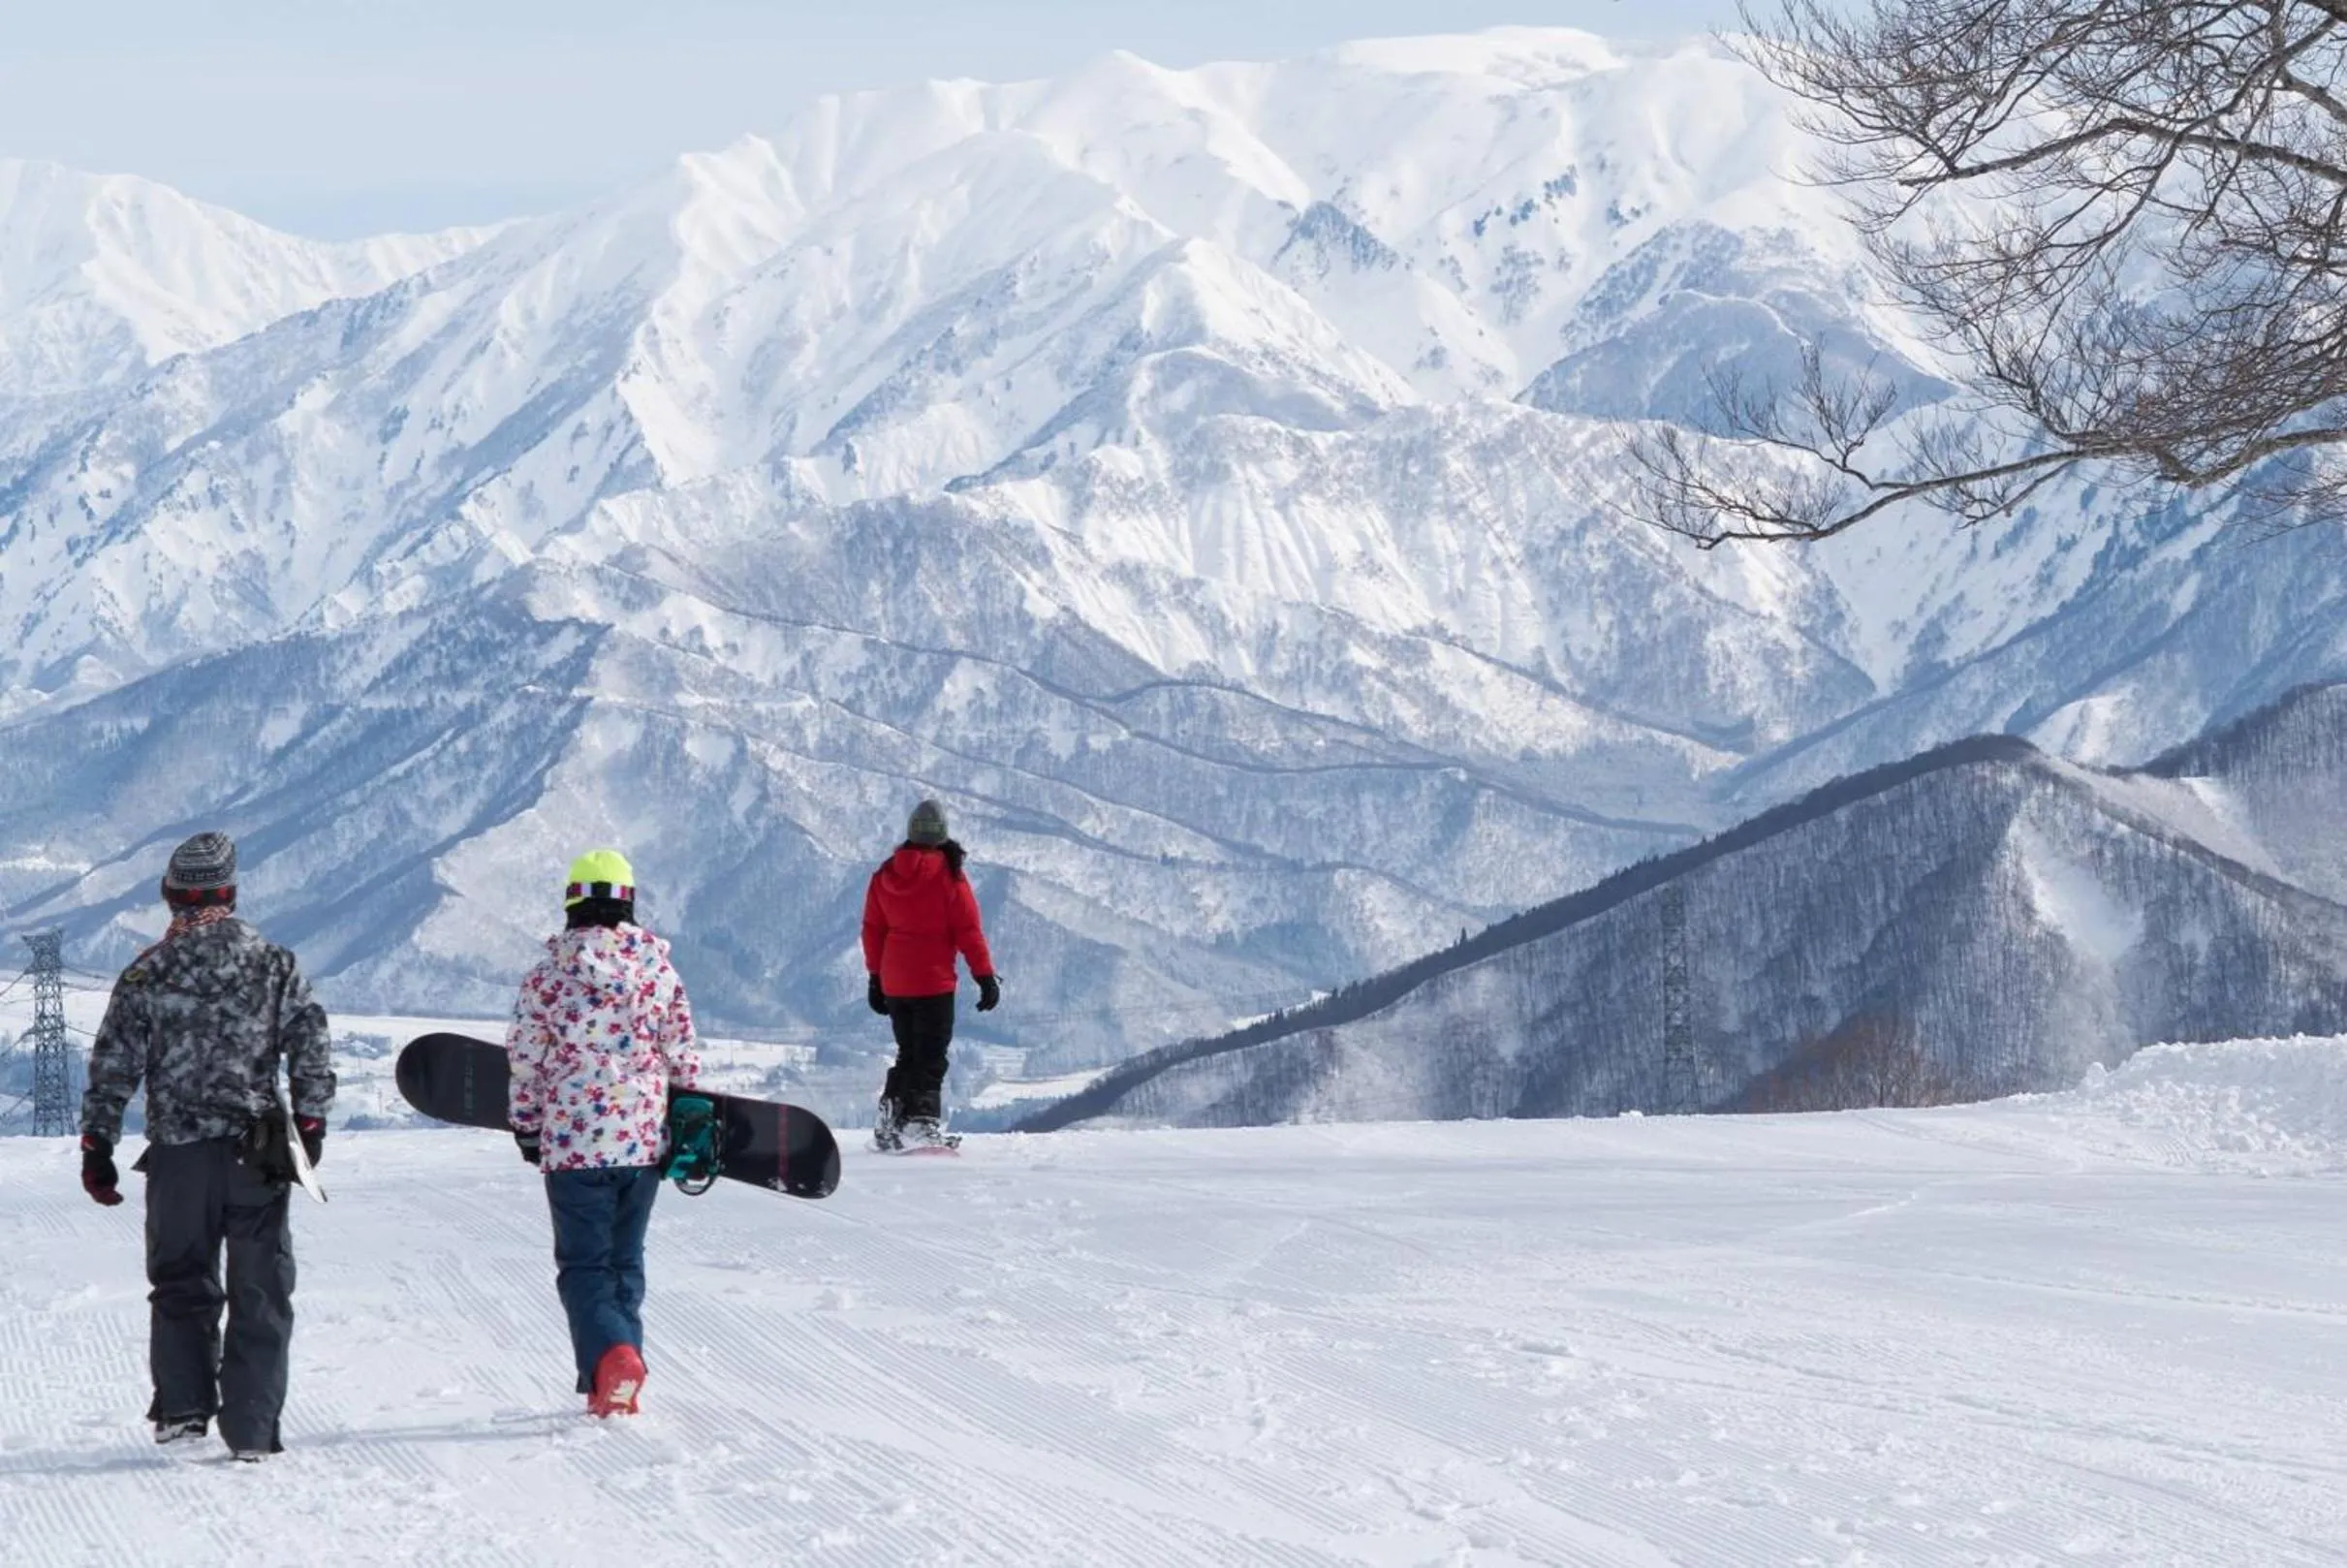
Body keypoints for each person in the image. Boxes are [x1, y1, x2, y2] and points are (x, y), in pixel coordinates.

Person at [78, 831, 335, 1461]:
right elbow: (311, 1041)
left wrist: (99, 1145)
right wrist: (309, 1122)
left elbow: (113, 1064)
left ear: (171, 896)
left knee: (181, 1282)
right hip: (258, 1154)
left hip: (178, 1157)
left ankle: (184, 1412)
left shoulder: (148, 972)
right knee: (261, 1291)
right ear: (231, 892)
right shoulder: (274, 963)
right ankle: (250, 1431)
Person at [507, 849, 702, 1418]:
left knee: (585, 1267)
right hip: (642, 1143)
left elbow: (526, 1060)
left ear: (571, 902)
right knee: (624, 1263)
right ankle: (618, 1379)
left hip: (573, 1144)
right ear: (629, 903)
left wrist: (527, 1127)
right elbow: (684, 1058)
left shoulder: (547, 976)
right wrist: (681, 1119)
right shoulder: (659, 971)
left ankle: (612, 1364)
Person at [861, 798, 999, 1149]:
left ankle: (891, 1117)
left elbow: (872, 929)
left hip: (895, 981)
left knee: (908, 1052)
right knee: (931, 1057)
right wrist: (984, 976)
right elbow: (968, 930)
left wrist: (875, 978)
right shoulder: (948, 876)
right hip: (932, 981)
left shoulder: (886, 873)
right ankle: (920, 1125)